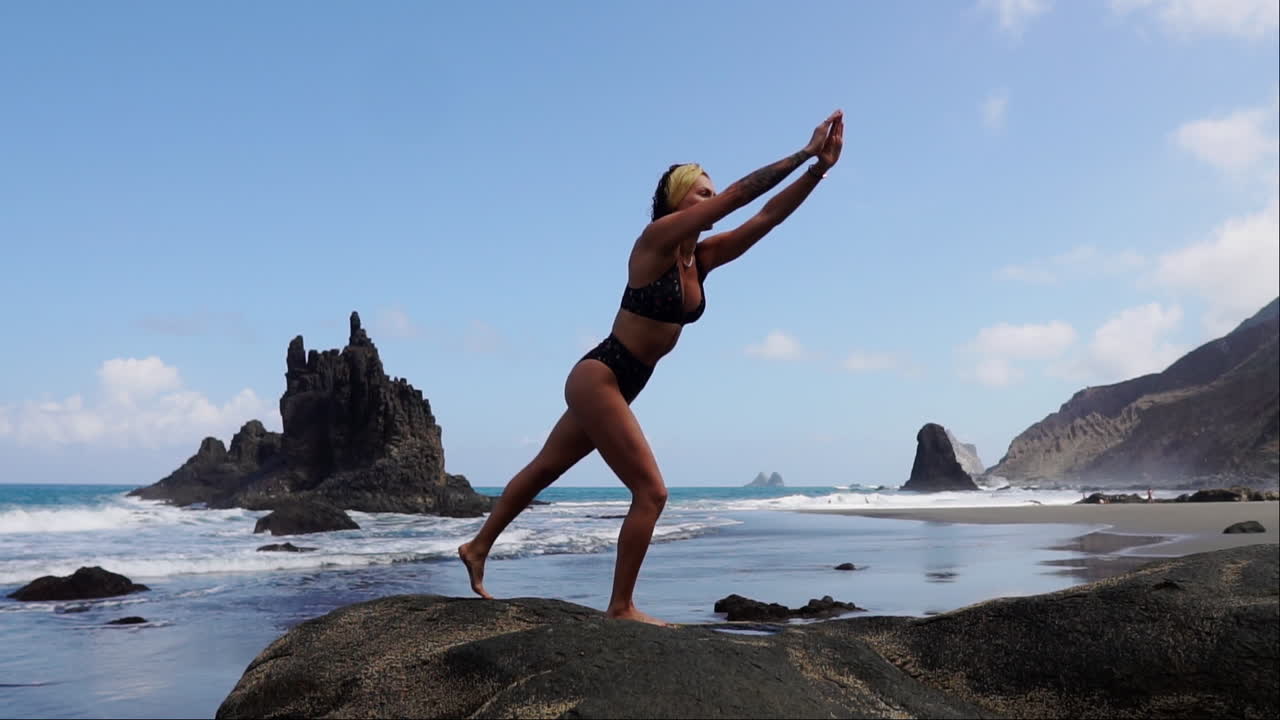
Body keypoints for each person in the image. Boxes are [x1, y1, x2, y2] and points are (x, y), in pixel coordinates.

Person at [459, 110, 845, 625]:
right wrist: (802, 152)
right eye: (700, 193)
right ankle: (621, 608)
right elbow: (737, 200)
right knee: (652, 492)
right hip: (601, 374)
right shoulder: (655, 241)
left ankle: (478, 546)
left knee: (545, 469)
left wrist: (819, 171)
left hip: (624, 382)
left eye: (711, 191)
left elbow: (765, 218)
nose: (711, 199)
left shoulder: (698, 259)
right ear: (675, 202)